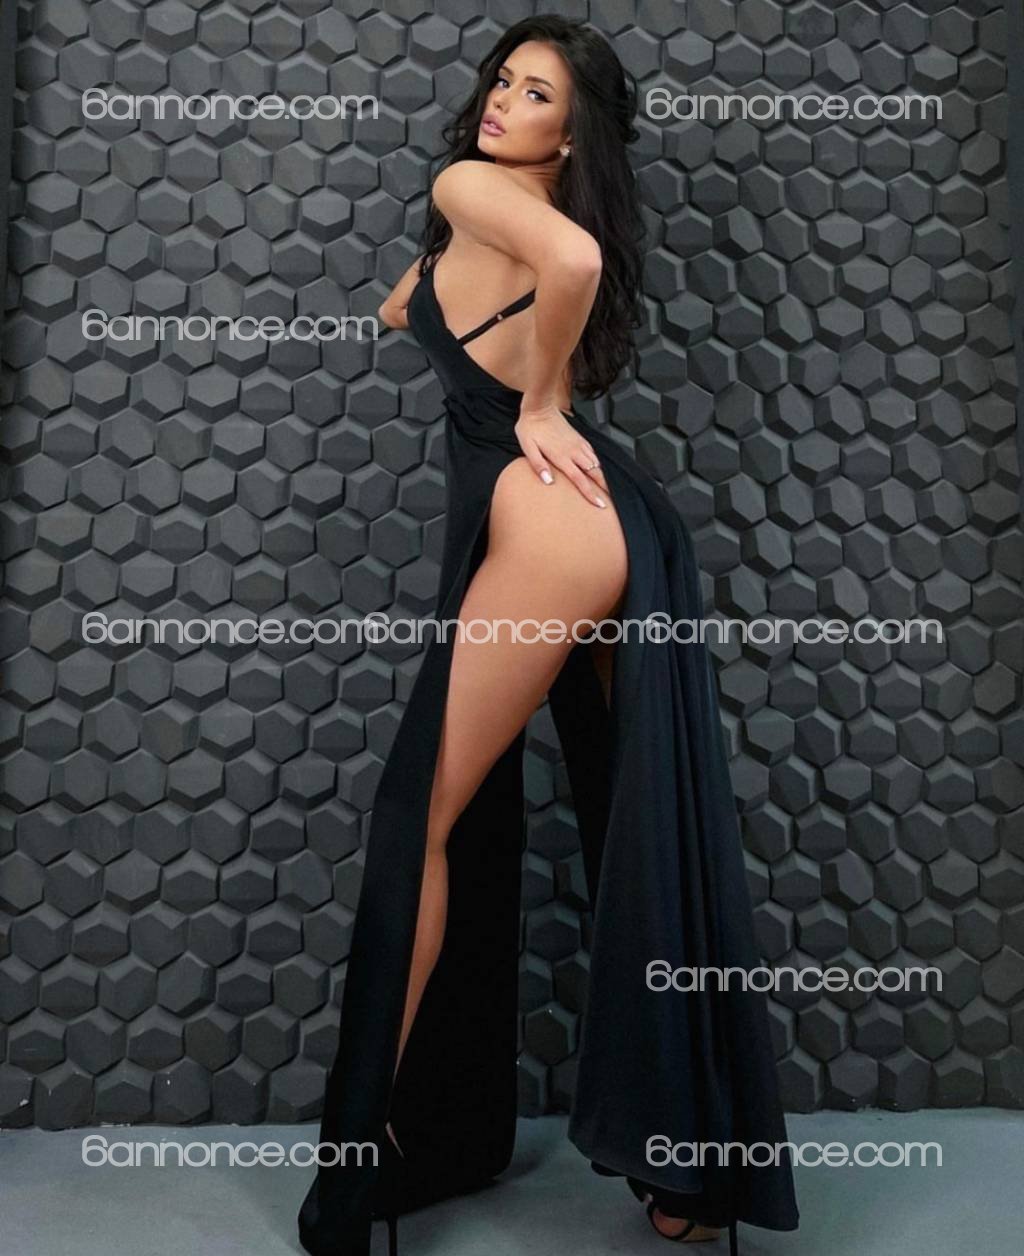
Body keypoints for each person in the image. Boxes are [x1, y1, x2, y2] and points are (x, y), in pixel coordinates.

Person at [298, 15, 799, 1256]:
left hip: (548, 531)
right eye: (502, 80)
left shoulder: (470, 190)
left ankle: (361, 1161)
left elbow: (563, 261)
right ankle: (688, 1173)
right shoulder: (496, 208)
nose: (501, 101)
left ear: (569, 135)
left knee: (418, 818)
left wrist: (531, 403)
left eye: (535, 94)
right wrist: (444, 314)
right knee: (640, 815)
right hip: (596, 521)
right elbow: (425, 301)